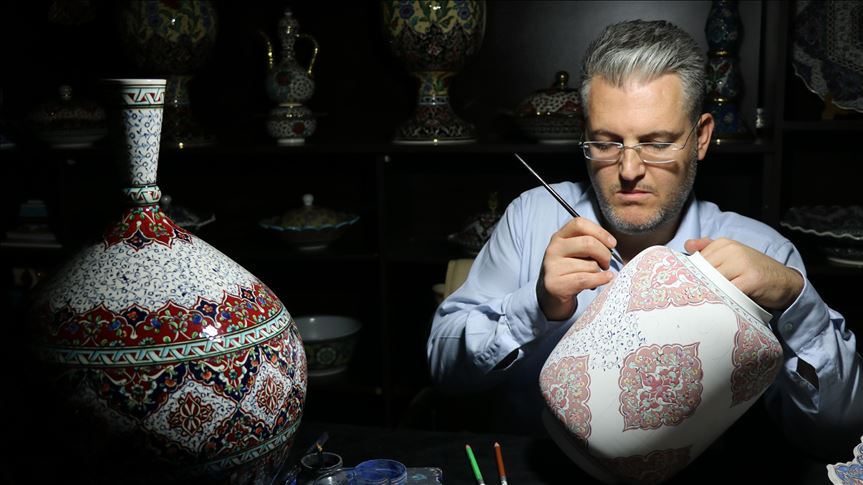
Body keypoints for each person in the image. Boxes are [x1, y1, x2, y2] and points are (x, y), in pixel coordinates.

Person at [427, 19, 862, 459]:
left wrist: (797, 303)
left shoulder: (764, 253)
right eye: (606, 142)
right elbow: (443, 373)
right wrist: (535, 306)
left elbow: (839, 435)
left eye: (657, 143)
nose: (630, 170)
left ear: (701, 138)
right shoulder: (531, 217)